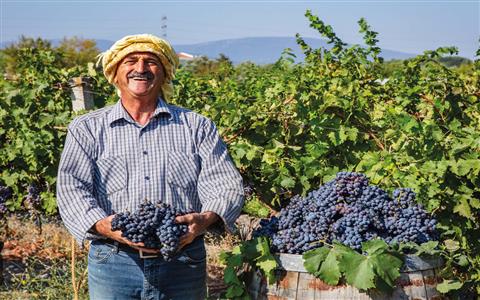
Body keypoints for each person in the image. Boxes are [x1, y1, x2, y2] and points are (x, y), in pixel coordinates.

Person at [56, 34, 244, 299]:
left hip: (182, 262)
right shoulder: (87, 128)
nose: (141, 68)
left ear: (164, 72)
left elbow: (226, 185)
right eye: (131, 61)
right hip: (114, 262)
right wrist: (102, 225)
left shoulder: (197, 126)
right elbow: (71, 187)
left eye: (151, 62)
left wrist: (204, 220)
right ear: (115, 72)